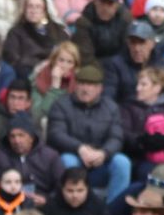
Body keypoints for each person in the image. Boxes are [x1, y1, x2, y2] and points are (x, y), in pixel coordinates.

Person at [46, 65, 130, 205]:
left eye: (91, 85)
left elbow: (116, 137)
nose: (85, 89)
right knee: (67, 161)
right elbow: (56, 134)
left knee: (122, 162)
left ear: (100, 88)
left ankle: (113, 212)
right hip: (74, 155)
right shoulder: (61, 105)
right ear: (75, 85)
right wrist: (80, 148)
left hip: (101, 159)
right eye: (82, 84)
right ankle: (70, 207)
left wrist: (104, 153)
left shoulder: (111, 107)